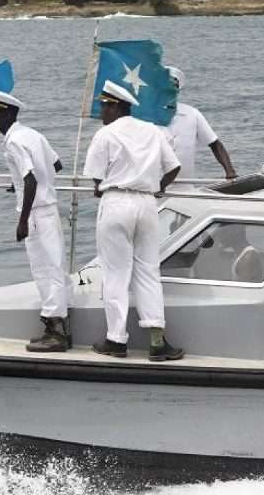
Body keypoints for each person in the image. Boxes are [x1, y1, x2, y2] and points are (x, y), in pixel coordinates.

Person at [83, 80, 184, 362]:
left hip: (116, 203)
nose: (101, 112)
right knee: (149, 271)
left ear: (115, 106)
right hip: (147, 203)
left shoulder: (105, 134)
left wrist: (101, 186)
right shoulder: (152, 130)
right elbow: (174, 167)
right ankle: (156, 341)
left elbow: (96, 175)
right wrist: (158, 187)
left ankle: (116, 340)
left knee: (116, 274)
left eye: (103, 106)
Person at [0, 89, 71, 353]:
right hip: (48, 207)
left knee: (45, 269)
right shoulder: (32, 134)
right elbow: (55, 166)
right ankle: (57, 326)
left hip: (36, 212)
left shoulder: (14, 141)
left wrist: (22, 220)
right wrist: (20, 185)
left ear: (7, 113)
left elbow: (31, 179)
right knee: (54, 266)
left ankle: (55, 331)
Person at [165, 67, 237, 182]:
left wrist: (230, 171)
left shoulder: (192, 114)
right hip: (153, 187)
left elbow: (215, 144)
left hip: (185, 186)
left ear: (178, 89)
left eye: (173, 85)